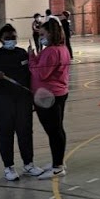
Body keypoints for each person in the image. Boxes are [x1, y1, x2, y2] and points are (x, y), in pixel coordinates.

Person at [0, 23, 43, 182]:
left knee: (25, 132)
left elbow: (31, 75)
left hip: (22, 100)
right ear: (1, 39)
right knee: (6, 133)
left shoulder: (22, 53)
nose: (11, 40)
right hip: (1, 101)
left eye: (13, 37)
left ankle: (28, 164)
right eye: (7, 38)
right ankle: (8, 167)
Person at [30, 18, 71, 179]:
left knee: (53, 131)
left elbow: (41, 73)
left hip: (48, 96)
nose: (40, 37)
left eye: (42, 34)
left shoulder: (51, 51)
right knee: (57, 129)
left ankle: (58, 167)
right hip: (59, 93)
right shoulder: (63, 48)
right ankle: (58, 161)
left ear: (50, 33)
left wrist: (32, 57)